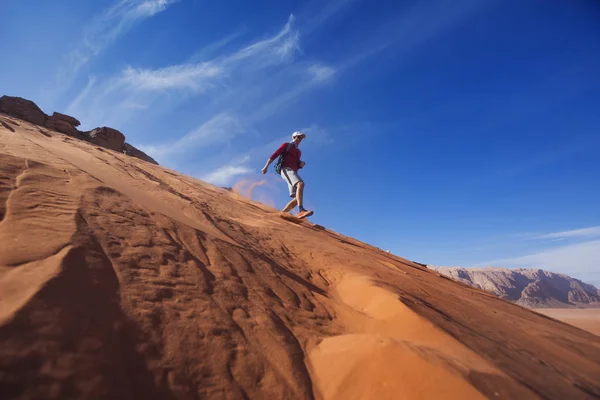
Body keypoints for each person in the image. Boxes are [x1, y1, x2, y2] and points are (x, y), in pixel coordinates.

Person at [261, 131, 314, 219]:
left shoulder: (298, 152)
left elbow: (296, 163)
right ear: (294, 137)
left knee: (297, 198)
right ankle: (301, 210)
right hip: (285, 169)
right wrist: (265, 167)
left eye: (301, 138)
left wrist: (301, 164)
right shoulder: (286, 145)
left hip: (293, 172)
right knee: (301, 184)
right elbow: (275, 154)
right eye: (299, 137)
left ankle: (282, 214)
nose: (300, 139)